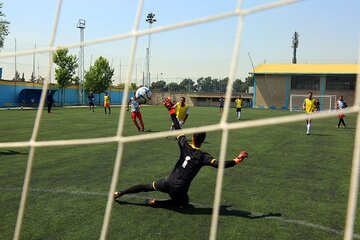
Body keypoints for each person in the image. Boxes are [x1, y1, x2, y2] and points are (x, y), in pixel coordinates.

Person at [113, 97, 248, 207]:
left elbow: (177, 127)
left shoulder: (185, 145)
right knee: (185, 203)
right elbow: (219, 164)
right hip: (179, 190)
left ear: (193, 137)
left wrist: (171, 110)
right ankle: (157, 203)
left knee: (147, 186)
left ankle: (120, 193)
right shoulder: (204, 157)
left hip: (167, 182)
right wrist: (236, 160)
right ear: (202, 140)